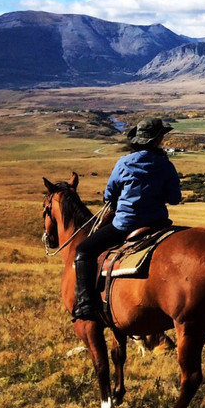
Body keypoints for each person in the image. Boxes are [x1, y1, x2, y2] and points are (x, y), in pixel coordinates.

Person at [72, 117, 182, 321]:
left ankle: (86, 303)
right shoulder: (166, 165)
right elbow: (174, 199)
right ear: (158, 140)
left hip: (125, 225)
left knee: (84, 250)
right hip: (158, 224)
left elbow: (109, 195)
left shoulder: (123, 163)